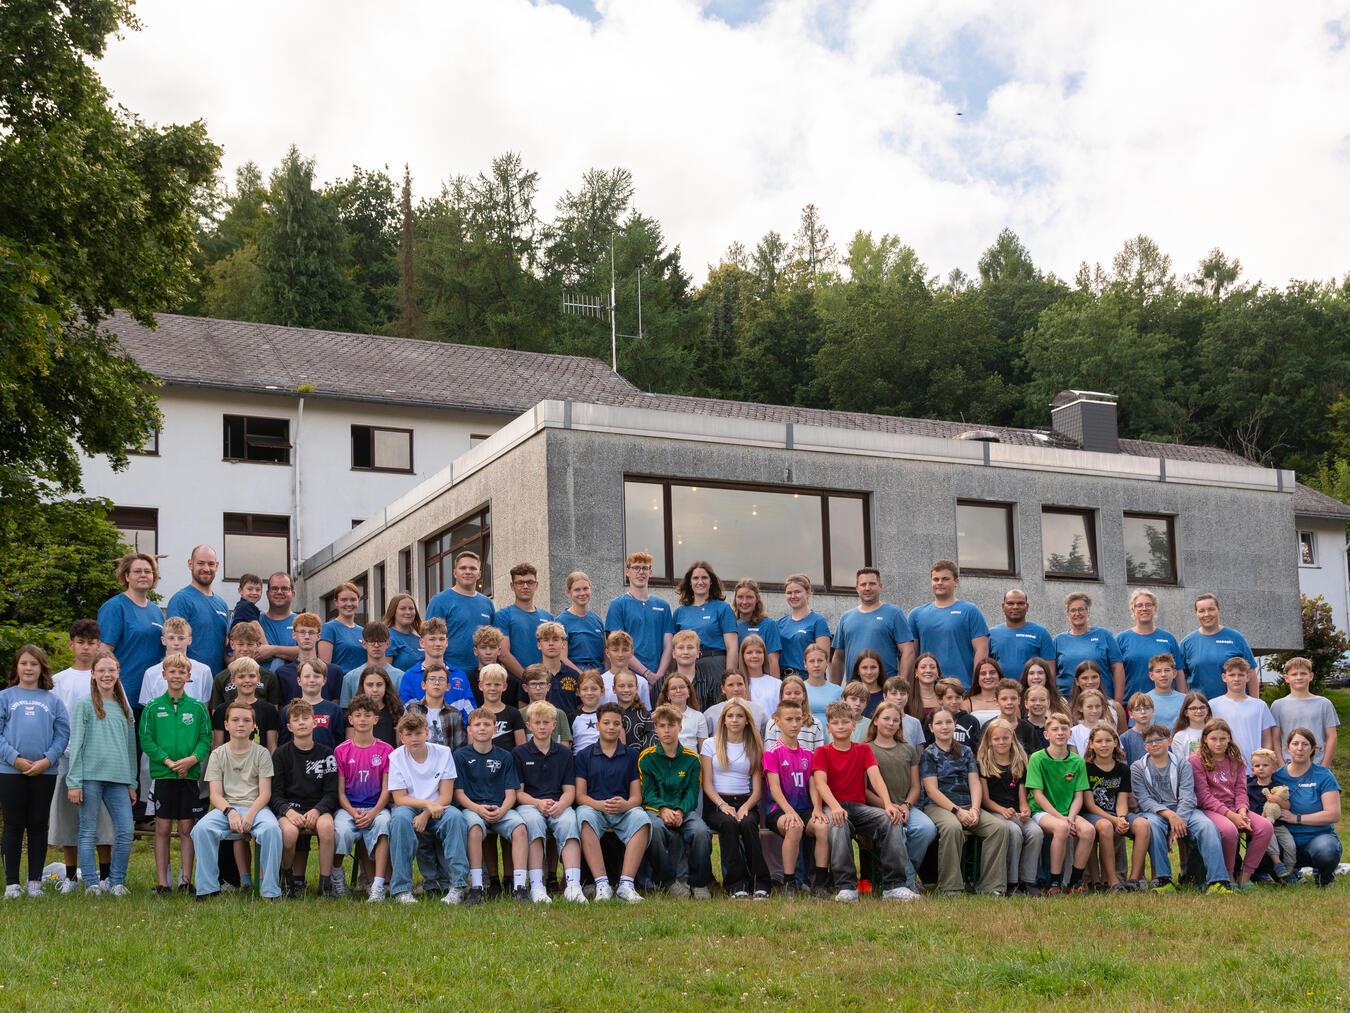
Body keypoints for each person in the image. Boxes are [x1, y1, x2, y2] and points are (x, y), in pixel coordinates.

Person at [814, 701, 916, 901]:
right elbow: (820, 784)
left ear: (854, 725)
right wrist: (834, 807)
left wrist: (888, 804)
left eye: (845, 722)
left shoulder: (862, 750)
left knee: (890, 819)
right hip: (833, 807)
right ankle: (847, 887)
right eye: (835, 723)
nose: (841, 726)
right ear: (829, 727)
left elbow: (875, 778)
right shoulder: (822, 752)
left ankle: (894, 887)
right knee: (838, 822)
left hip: (859, 807)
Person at [191, 702, 283, 899]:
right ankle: (207, 889)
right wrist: (230, 812)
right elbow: (215, 794)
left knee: (272, 830)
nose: (240, 724)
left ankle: (270, 890)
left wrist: (249, 814)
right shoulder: (218, 754)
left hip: (256, 808)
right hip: (227, 808)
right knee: (201, 829)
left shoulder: (262, 753)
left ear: (253, 726)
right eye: (235, 720)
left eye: (246, 720)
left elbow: (265, 793)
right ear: (226, 725)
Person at [64, 651, 137, 895]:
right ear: (93, 674)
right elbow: (77, 744)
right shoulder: (85, 705)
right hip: (90, 778)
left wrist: (132, 782)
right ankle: (92, 883)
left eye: (111, 670)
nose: (107, 675)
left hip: (119, 779)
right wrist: (74, 781)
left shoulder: (124, 707)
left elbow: (130, 747)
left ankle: (116, 881)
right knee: (88, 831)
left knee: (126, 830)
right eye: (102, 671)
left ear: (118, 673)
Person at [1130, 722, 1233, 893]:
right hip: (1156, 811)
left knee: (1207, 826)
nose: (1154, 744)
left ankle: (1218, 881)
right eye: (1149, 742)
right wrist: (1170, 815)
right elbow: (1144, 799)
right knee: (1153, 826)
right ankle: (1164, 880)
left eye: (1159, 740)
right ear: (1144, 746)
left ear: (1169, 740)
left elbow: (1188, 796)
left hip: (1184, 809)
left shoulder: (1182, 764)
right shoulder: (1138, 767)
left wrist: (1179, 820)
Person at [0, 645, 69, 899]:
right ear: (17, 667)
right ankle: (12, 884)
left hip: (45, 772)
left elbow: (63, 734)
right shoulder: (5, 697)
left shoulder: (53, 700)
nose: (28, 668)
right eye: (24, 663)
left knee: (38, 826)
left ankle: (35, 882)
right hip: (9, 771)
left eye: (34, 664)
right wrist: (14, 759)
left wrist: (47, 760)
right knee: (13, 825)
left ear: (42, 669)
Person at [140, 652, 212, 894]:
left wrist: (191, 760)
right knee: (161, 828)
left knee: (185, 829)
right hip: (164, 776)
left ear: (188, 676)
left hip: (188, 777)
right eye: (172, 672)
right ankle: (162, 882)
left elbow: (205, 739)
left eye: (182, 672)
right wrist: (167, 761)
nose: (177, 676)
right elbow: (146, 739)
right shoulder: (152, 707)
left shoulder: (197, 708)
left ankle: (185, 880)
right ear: (164, 675)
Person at [50, 620, 113, 894]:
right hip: (68, 755)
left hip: (101, 758)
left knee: (102, 818)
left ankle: (107, 875)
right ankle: (71, 875)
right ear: (71, 644)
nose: (86, 648)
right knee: (69, 819)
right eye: (81, 642)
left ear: (98, 645)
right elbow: (55, 720)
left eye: (91, 643)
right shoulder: (59, 681)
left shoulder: (105, 676)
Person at [921, 707, 1009, 896]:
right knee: (953, 828)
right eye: (939, 723)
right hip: (939, 806)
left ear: (954, 725)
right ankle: (951, 887)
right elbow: (931, 790)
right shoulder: (929, 753)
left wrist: (975, 810)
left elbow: (974, 782)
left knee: (999, 828)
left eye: (948, 722)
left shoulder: (966, 751)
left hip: (968, 804)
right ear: (931, 727)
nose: (944, 727)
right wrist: (957, 812)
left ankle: (991, 887)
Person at [387, 711, 469, 905]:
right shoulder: (396, 757)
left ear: (427, 733)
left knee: (456, 818)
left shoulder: (443, 753)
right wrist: (425, 806)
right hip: (410, 806)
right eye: (408, 734)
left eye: (418, 733)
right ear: (402, 737)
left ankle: (457, 885)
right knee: (398, 820)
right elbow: (399, 798)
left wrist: (427, 813)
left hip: (439, 805)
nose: (414, 738)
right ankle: (401, 889)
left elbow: (447, 795)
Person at [574, 703, 649, 902]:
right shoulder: (584, 756)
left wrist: (625, 805)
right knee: (583, 815)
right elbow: (580, 796)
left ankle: (626, 884)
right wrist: (599, 805)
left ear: (622, 727)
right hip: (595, 808)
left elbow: (636, 797)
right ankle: (602, 884)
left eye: (616, 723)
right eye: (606, 723)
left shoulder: (632, 755)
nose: (611, 727)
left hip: (622, 809)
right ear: (597, 725)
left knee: (642, 818)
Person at [454, 708, 529, 904]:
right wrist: (478, 809)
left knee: (520, 828)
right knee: (475, 829)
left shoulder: (505, 756)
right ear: (469, 730)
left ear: (494, 729)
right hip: (473, 809)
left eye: (487, 724)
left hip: (501, 808)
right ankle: (477, 887)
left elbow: (511, 793)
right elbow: (459, 793)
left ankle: (519, 887)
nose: (482, 728)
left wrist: (503, 810)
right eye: (477, 725)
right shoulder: (460, 756)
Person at [515, 700, 587, 903]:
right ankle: (537, 886)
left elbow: (570, 790)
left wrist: (562, 805)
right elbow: (518, 793)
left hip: (558, 803)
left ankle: (573, 885)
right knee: (534, 824)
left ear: (554, 725)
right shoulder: (519, 753)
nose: (542, 726)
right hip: (531, 804)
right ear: (529, 725)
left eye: (546, 722)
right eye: (537, 722)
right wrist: (538, 803)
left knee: (569, 823)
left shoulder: (564, 753)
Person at [639, 704, 714, 899]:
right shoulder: (646, 758)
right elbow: (647, 793)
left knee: (701, 831)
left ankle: (699, 883)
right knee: (653, 829)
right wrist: (662, 809)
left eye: (671, 725)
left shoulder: (691, 759)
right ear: (655, 728)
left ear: (680, 727)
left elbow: (691, 793)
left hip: (684, 811)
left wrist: (680, 811)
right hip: (656, 810)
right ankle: (669, 881)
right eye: (662, 726)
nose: (666, 730)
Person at [1189, 718, 1273, 891]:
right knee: (1229, 830)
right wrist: (1232, 816)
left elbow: (1241, 790)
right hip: (1210, 809)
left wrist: (1242, 811)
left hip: (1235, 807)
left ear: (1229, 739)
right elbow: (1203, 796)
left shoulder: (1236, 760)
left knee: (1265, 827)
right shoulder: (1196, 761)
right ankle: (1228, 876)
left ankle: (1245, 876)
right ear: (1205, 738)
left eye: (1223, 739)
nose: (1219, 743)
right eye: (1214, 739)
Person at [699, 700, 771, 898]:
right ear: (723, 720)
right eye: (730, 716)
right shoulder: (710, 744)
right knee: (729, 824)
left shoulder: (755, 745)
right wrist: (723, 805)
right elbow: (707, 784)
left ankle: (760, 883)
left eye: (740, 716)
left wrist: (746, 806)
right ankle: (736, 884)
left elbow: (757, 789)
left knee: (748, 825)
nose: (735, 720)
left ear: (747, 720)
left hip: (746, 801)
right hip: (717, 803)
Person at [270, 700, 339, 897]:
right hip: (290, 809)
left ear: (314, 722)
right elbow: (275, 793)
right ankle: (288, 878)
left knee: (326, 828)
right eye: (296, 719)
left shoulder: (326, 753)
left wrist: (317, 810)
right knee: (290, 834)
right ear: (289, 726)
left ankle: (325, 884)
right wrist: (288, 812)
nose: (301, 723)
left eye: (306, 718)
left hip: (317, 807)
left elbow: (332, 793)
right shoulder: (281, 754)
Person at [866, 701, 935, 896]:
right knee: (899, 832)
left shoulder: (907, 749)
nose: (890, 723)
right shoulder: (866, 749)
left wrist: (906, 805)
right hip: (881, 807)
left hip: (906, 806)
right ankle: (908, 882)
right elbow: (865, 790)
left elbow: (915, 786)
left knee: (926, 828)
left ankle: (903, 875)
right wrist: (888, 805)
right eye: (886, 718)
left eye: (895, 720)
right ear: (876, 721)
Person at [1026, 713, 1096, 894]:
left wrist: (1071, 817)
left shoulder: (1077, 761)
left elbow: (1078, 796)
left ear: (1070, 733)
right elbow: (1038, 795)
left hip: (1068, 812)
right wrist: (1062, 819)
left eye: (1064, 729)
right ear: (1046, 734)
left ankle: (1075, 881)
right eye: (1055, 729)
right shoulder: (1037, 758)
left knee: (1088, 830)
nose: (1060, 733)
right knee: (1062, 829)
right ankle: (1054, 882)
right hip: (1042, 811)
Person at [332, 694, 393, 901]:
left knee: (384, 825)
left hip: (377, 807)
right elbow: (340, 792)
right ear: (350, 719)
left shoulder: (386, 750)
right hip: (349, 807)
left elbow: (387, 790)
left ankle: (377, 885)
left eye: (368, 715)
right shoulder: (341, 750)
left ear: (376, 719)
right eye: (357, 715)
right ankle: (337, 876)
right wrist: (352, 811)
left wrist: (374, 812)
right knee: (340, 830)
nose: (363, 719)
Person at [976, 716, 1043, 895]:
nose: (1001, 742)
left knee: (1035, 832)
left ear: (1012, 739)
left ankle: (1027, 881)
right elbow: (985, 800)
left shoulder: (1019, 761)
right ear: (989, 741)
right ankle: (1011, 882)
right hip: (994, 810)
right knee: (1013, 832)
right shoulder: (984, 763)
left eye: (1005, 738)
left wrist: (1025, 810)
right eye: (996, 739)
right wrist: (1002, 810)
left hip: (1015, 811)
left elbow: (1022, 796)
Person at [1082, 723, 1152, 890]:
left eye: (1108, 740)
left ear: (1116, 743)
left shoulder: (1122, 768)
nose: (1104, 745)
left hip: (1116, 812)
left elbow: (1122, 800)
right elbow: (1089, 804)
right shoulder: (1085, 768)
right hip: (1093, 814)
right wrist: (1114, 819)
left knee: (1142, 825)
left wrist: (1121, 818)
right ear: (1091, 744)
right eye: (1099, 741)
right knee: (1106, 827)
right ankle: (1113, 881)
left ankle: (1134, 879)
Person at [96, 552, 165, 714]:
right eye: (137, 571)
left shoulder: (156, 611)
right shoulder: (114, 607)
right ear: (126, 576)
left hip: (153, 697)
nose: (143, 575)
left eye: (148, 572)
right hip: (124, 696)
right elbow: (103, 653)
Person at [1273, 727, 1342, 886]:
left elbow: (1333, 814)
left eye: (1305, 744)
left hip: (1317, 837)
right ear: (1287, 747)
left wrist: (1296, 818)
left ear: (1312, 749)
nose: (1299, 748)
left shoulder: (1323, 775)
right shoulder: (1277, 776)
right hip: (1286, 839)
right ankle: (1290, 876)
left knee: (1327, 852)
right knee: (1262, 851)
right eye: (1295, 743)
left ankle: (1324, 876)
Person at [907, 560, 989, 689]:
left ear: (956, 582)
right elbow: (911, 654)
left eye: (945, 579)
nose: (939, 583)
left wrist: (976, 685)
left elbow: (982, 649)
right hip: (927, 688)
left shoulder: (969, 611)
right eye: (935, 579)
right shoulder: (916, 614)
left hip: (962, 687)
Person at [604, 550, 675, 693]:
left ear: (650, 572)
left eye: (645, 568)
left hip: (659, 679)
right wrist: (646, 674)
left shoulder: (663, 606)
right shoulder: (618, 605)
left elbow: (669, 645)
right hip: (629, 679)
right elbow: (619, 647)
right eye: (636, 568)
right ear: (627, 572)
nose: (640, 572)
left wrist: (659, 676)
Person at [831, 568, 915, 686]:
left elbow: (908, 651)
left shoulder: (894, 614)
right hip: (854, 692)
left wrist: (899, 685)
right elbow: (838, 657)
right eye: (863, 584)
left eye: (872, 584)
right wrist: (835, 690)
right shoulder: (846, 617)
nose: (867, 588)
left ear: (880, 586)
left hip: (885, 690)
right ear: (857, 588)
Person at [674, 560, 738, 706]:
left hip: (715, 664)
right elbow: (674, 647)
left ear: (711, 582)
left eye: (704, 578)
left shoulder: (722, 608)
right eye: (695, 578)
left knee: (717, 708)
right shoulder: (680, 612)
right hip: (688, 666)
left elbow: (732, 647)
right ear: (689, 583)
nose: (700, 582)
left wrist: (729, 678)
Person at [425, 550, 496, 676]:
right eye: (463, 568)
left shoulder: (487, 603)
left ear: (479, 573)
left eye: (472, 568)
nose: (467, 571)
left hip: (482, 673)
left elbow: (492, 640)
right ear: (455, 573)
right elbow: (428, 640)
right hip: (449, 672)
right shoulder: (440, 601)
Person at [1181, 592, 1258, 699]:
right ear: (1196, 614)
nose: (1206, 614)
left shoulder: (1236, 638)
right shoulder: (1187, 642)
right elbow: (1180, 676)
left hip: (1234, 706)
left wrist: (1255, 702)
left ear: (1218, 610)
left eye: (1211, 609)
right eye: (1201, 611)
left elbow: (1251, 671)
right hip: (1200, 709)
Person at [166, 545, 230, 673]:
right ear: (190, 564)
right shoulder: (181, 600)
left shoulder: (222, 604)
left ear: (217, 566)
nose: (206, 568)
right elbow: (173, 646)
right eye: (200, 563)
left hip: (217, 680)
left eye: (211, 564)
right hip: (190, 679)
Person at [395, 618, 474, 719]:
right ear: (422, 643)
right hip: (422, 733)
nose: (437, 644)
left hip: (454, 732)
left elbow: (470, 717)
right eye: (432, 639)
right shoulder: (410, 677)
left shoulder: (460, 676)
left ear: (446, 642)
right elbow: (407, 718)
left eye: (441, 639)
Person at [1207, 657, 1276, 772]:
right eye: (1232, 675)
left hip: (1255, 770)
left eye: (1241, 675)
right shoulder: (1213, 705)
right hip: (1224, 770)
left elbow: (1267, 738)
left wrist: (1264, 763)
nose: (1236, 679)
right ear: (1224, 677)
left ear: (1248, 677)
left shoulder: (1260, 705)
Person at [1053, 593, 1124, 702]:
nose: (1077, 613)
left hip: (1102, 701)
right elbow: (1051, 673)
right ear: (1067, 614)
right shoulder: (1058, 640)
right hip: (1068, 703)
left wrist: (1118, 701)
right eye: (1073, 610)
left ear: (1088, 612)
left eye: (1081, 609)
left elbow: (1117, 668)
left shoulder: (1104, 635)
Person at [1116, 589, 1186, 698]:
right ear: (1133, 610)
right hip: (1132, 703)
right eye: (1139, 605)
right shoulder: (1121, 639)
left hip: (1165, 701)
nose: (1144, 608)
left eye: (1148, 605)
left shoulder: (1168, 638)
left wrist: (1183, 700)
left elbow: (1179, 673)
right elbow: (1115, 673)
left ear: (1155, 609)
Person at [1270, 656, 1338, 766]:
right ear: (1286, 678)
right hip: (1288, 764)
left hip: (1317, 764)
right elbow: (1275, 738)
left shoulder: (1324, 703)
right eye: (1294, 674)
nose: (1299, 677)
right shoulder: (1278, 705)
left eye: (1303, 673)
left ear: (1311, 676)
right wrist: (1281, 765)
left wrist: (1324, 766)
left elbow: (1332, 736)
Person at [494, 562, 553, 678]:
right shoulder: (503, 615)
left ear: (536, 585)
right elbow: (504, 654)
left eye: (530, 582)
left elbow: (554, 653)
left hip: (545, 682)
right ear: (512, 586)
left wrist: (544, 680)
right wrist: (527, 679)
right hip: (517, 682)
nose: (525, 586)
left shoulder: (548, 617)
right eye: (520, 582)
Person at [987, 588, 1056, 685]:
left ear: (1027, 607)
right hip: (1002, 694)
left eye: (1020, 603)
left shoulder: (1040, 633)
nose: (1015, 607)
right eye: (1010, 603)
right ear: (1003, 606)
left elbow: (1050, 671)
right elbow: (985, 667)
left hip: (1031, 694)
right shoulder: (991, 634)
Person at [1247, 748, 1296, 882]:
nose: (1261, 768)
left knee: (1290, 845)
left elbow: (1288, 806)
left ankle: (1289, 873)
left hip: (1279, 825)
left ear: (1273, 769)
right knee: (1270, 837)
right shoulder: (1248, 787)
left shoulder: (1278, 787)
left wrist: (1278, 800)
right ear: (1252, 769)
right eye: (1257, 766)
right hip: (1261, 825)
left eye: (1265, 765)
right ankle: (1277, 864)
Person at [139, 617, 213, 705]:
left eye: (181, 638)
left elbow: (205, 707)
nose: (176, 643)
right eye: (171, 638)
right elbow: (149, 710)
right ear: (163, 640)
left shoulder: (203, 671)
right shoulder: (151, 673)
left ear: (189, 640)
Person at [208, 622, 281, 710]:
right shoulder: (221, 678)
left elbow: (274, 712)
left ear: (257, 645)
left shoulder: (269, 677)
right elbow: (216, 714)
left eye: (250, 644)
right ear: (232, 644)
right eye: (240, 644)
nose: (245, 649)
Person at [211, 658, 279, 752]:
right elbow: (217, 747)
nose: (247, 680)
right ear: (233, 680)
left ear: (258, 678)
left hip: (259, 764)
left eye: (251, 676)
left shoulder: (269, 710)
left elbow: (272, 747)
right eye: (241, 676)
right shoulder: (222, 710)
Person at [279, 612, 342, 705]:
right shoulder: (282, 673)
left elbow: (335, 707)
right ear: (294, 635)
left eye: (311, 632)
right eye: (302, 632)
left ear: (318, 636)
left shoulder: (333, 671)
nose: (307, 637)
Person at [776, 573, 832, 678]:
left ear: (808, 593)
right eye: (789, 593)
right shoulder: (779, 623)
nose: (793, 596)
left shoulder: (818, 622)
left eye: (797, 592)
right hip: (783, 679)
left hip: (808, 678)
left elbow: (823, 658)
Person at [279, 659, 344, 749]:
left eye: (316, 676)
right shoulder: (288, 710)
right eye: (307, 676)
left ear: (324, 680)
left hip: (326, 760)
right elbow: (283, 743)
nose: (312, 680)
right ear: (299, 681)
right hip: (296, 761)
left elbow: (339, 742)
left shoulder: (334, 710)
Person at [337, 623, 404, 710]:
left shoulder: (400, 676)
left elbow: (402, 710)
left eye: (380, 641)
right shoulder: (350, 677)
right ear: (364, 644)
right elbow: (345, 710)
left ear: (388, 644)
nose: (376, 645)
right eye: (372, 641)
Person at [404, 661, 467, 750]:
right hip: (417, 760)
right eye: (432, 679)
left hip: (445, 762)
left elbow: (459, 747)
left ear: (448, 687)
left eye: (441, 679)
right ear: (423, 685)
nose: (437, 683)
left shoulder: (454, 714)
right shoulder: (412, 710)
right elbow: (405, 740)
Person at [557, 571, 605, 676]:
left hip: (599, 673)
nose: (582, 593)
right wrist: (583, 676)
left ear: (590, 588)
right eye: (577, 590)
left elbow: (605, 655)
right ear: (568, 592)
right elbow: (562, 658)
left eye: (585, 588)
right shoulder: (561, 621)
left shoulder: (597, 620)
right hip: (575, 674)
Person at [732, 578, 782, 676]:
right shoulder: (731, 626)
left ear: (757, 599)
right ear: (735, 600)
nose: (744, 602)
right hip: (740, 684)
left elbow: (773, 661)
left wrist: (775, 687)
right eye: (740, 597)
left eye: (749, 597)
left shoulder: (769, 625)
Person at [764, 676, 824, 752]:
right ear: (782, 696)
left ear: (804, 696)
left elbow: (818, 755)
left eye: (797, 693)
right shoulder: (773, 723)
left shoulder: (815, 724)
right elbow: (770, 752)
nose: (793, 696)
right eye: (788, 693)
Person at [256, 571, 300, 673]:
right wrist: (288, 652)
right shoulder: (255, 621)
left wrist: (272, 650)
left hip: (293, 684)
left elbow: (307, 653)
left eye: (285, 588)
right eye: (274, 588)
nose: (279, 592)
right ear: (267, 594)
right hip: (258, 685)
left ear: (292, 594)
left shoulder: (302, 622)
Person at [517, 664, 570, 747]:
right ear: (525, 688)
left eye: (542, 683)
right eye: (533, 684)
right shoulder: (518, 714)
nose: (538, 688)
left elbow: (565, 746)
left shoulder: (559, 714)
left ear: (548, 687)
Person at [703, 670, 767, 739]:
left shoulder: (758, 711)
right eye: (730, 685)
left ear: (745, 686)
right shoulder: (711, 713)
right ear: (723, 689)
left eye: (740, 684)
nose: (736, 689)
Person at [318, 583, 366, 675]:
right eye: (343, 600)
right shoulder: (329, 628)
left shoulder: (363, 631)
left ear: (358, 601)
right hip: (341, 684)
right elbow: (324, 667)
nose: (349, 604)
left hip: (362, 685)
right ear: (336, 603)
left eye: (353, 599)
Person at [477, 664, 525, 751]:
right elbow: (471, 748)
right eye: (488, 684)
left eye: (497, 684)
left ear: (504, 686)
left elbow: (522, 749)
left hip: (509, 763)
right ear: (480, 686)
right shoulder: (475, 715)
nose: (493, 688)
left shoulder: (514, 713)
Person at [600, 630, 652, 710]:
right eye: (615, 650)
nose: (620, 654)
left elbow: (646, 712)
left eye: (625, 650)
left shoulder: (641, 682)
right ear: (607, 653)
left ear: (632, 653)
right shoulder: (600, 681)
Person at [925, 678, 981, 750]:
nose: (954, 701)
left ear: (963, 698)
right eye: (949, 698)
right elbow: (927, 746)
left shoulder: (971, 721)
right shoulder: (932, 718)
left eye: (958, 697)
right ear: (940, 699)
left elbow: (977, 749)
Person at [655, 671, 704, 753]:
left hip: (691, 763)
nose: (678, 690)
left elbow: (703, 750)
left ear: (688, 692)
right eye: (673, 688)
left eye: (682, 687)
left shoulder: (699, 717)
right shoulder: (658, 717)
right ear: (667, 694)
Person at [354, 668, 403, 748]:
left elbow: (399, 746)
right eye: (370, 685)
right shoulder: (354, 712)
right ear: (362, 686)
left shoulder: (395, 710)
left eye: (379, 684)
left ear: (386, 686)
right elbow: (350, 744)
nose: (375, 689)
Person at [380, 593, 424, 672]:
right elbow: (385, 674)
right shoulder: (387, 637)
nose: (408, 612)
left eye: (411, 608)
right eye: (403, 608)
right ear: (393, 612)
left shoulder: (419, 639)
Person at [742, 635, 781, 720]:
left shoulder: (777, 684)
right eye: (749, 652)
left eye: (759, 652)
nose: (754, 656)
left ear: (764, 655)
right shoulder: (739, 684)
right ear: (742, 656)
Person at [882, 675, 927, 748]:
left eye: (902, 694)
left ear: (908, 696)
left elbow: (919, 752)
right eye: (894, 693)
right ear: (885, 696)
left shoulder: (915, 722)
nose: (899, 697)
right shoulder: (878, 721)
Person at [802, 643, 841, 725]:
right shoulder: (799, 689)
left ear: (827, 662)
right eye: (812, 661)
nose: (816, 665)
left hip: (832, 737)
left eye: (820, 660)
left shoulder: (837, 690)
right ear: (805, 663)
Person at [1019, 656, 1068, 721]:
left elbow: (1068, 724)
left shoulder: (1060, 701)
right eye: (1031, 673)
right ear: (1026, 677)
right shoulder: (1018, 701)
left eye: (1040, 673)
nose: (1036, 677)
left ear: (1046, 677)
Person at [613, 670, 653, 750]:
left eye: (630, 686)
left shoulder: (645, 715)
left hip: (639, 760)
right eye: (621, 686)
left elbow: (650, 744)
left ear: (637, 688)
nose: (626, 690)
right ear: (614, 689)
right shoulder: (610, 714)